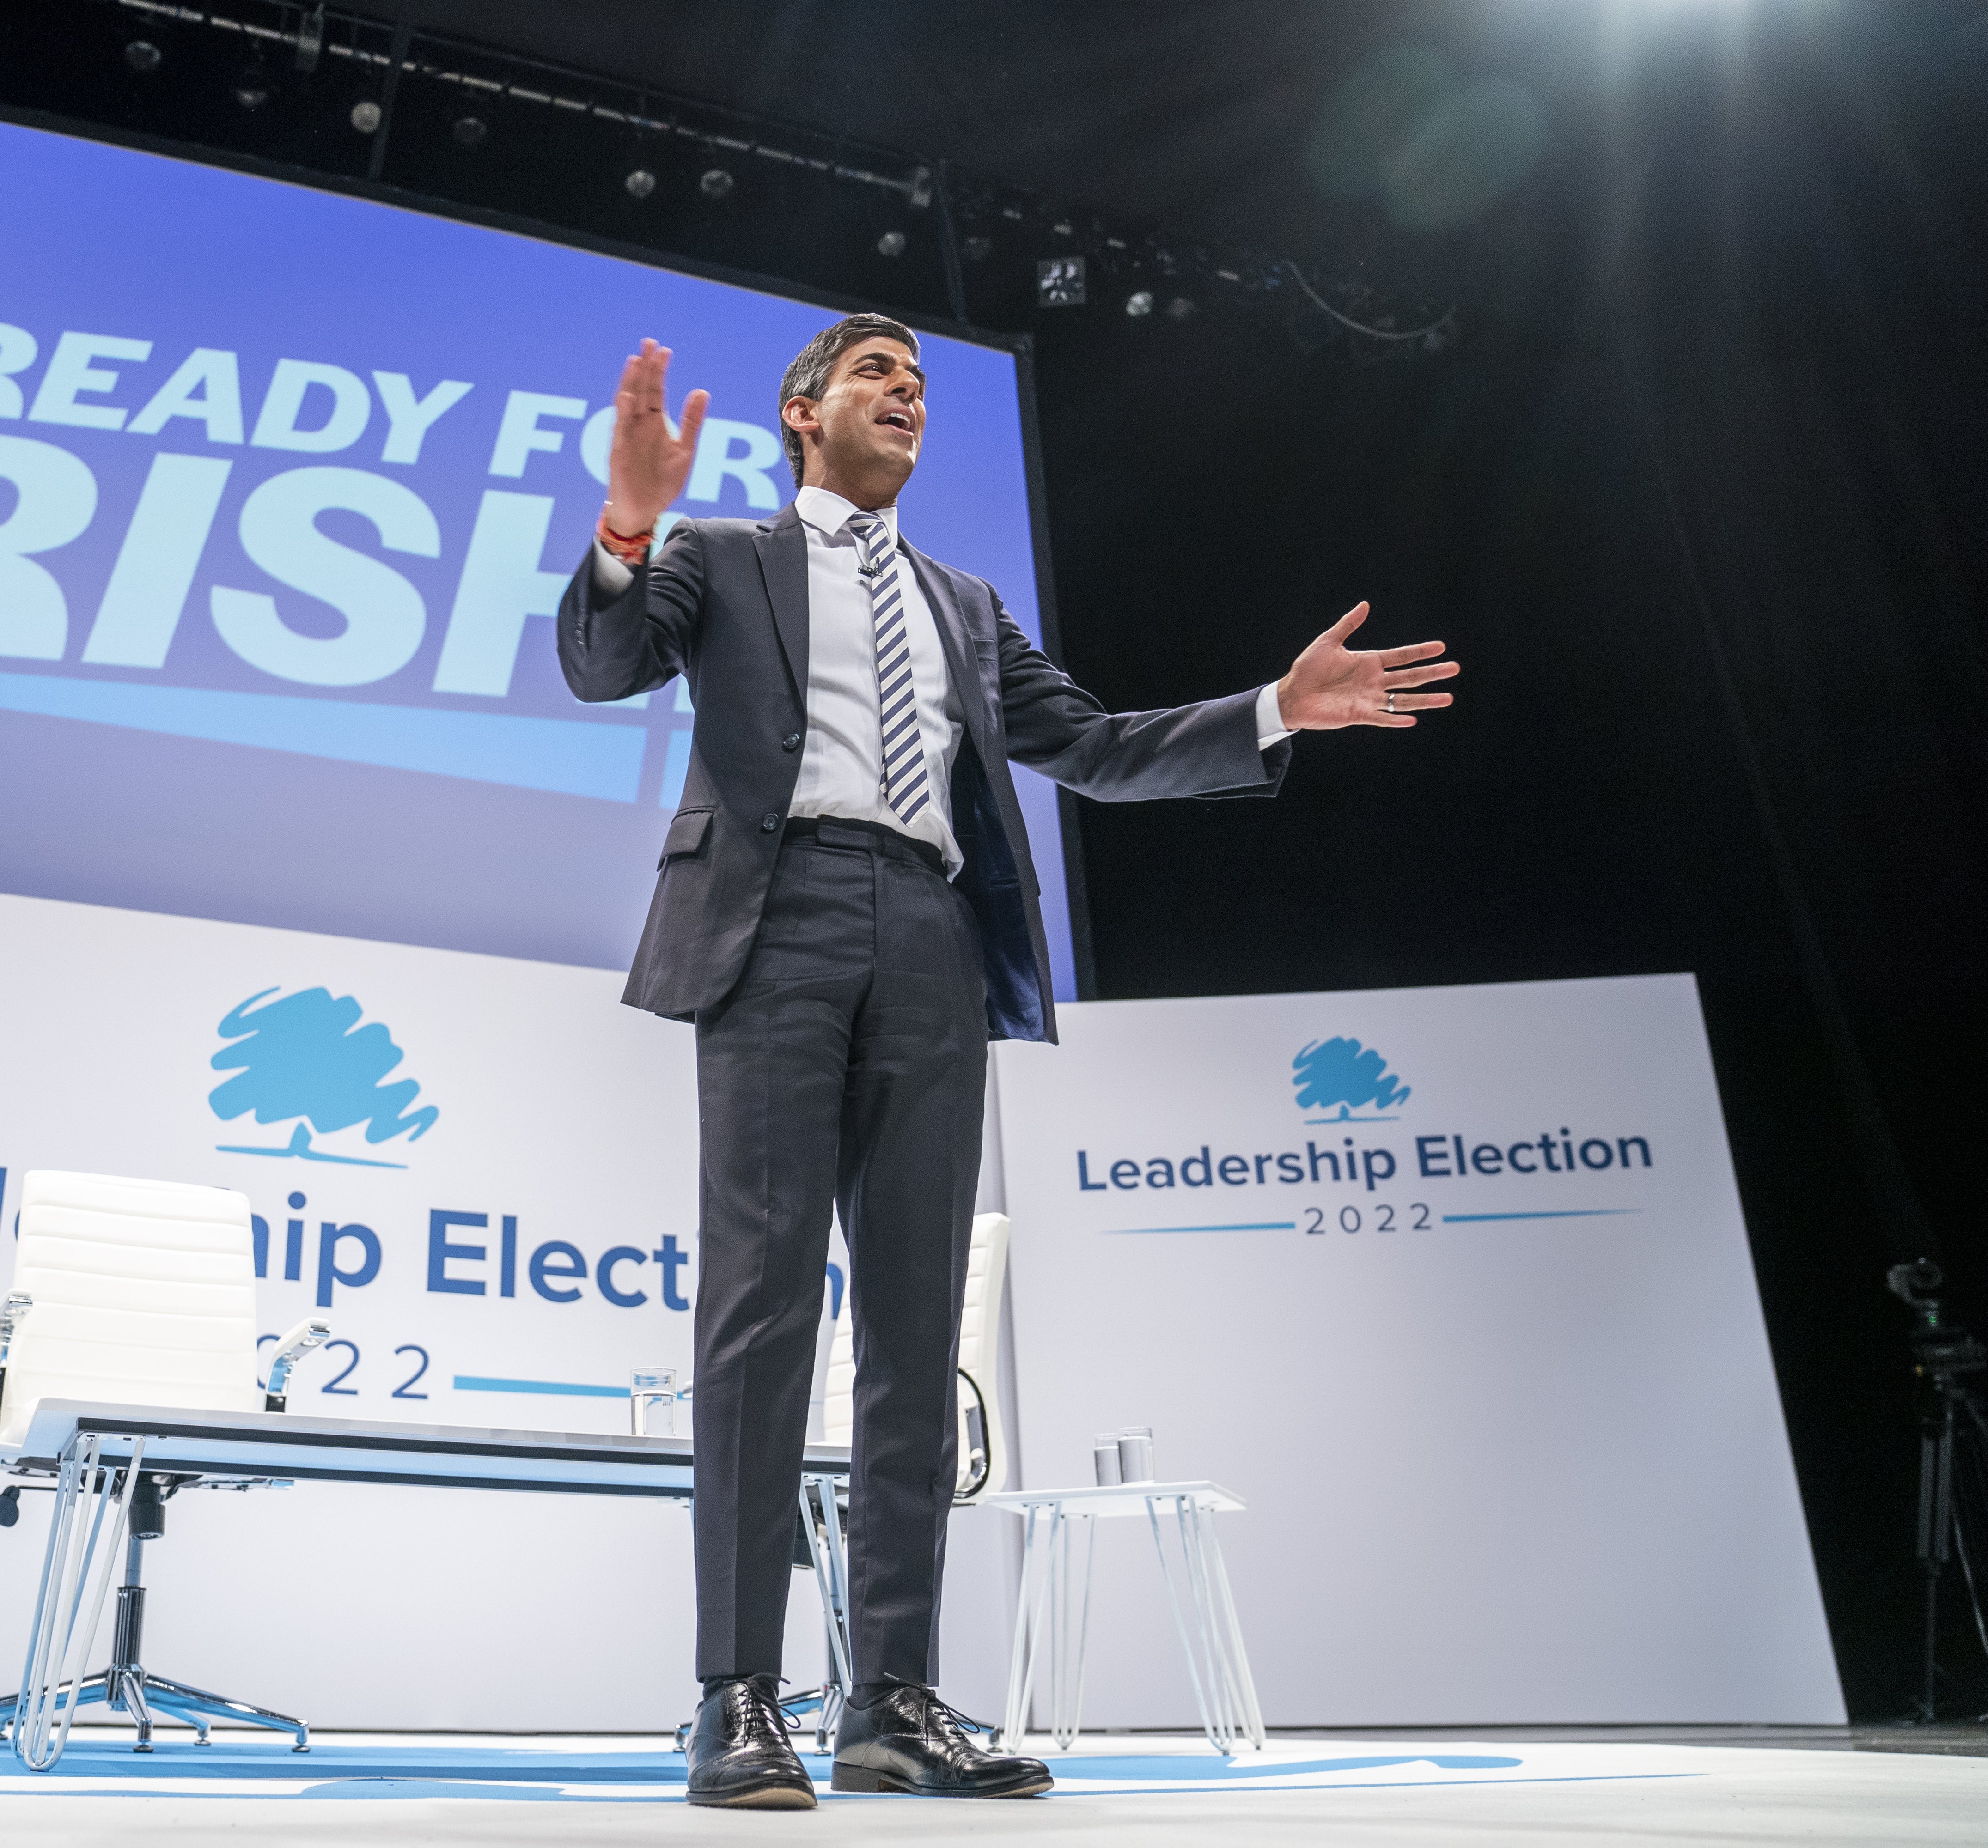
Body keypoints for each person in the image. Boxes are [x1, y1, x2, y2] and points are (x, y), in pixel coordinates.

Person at [559, 314, 1459, 1809]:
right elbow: (602, 666)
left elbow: (1092, 747)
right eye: (876, 377)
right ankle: (738, 1700)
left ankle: (891, 1707)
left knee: (917, 1342)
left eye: (920, 385)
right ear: (802, 416)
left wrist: (1271, 712)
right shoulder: (720, 558)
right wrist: (628, 523)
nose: (909, 397)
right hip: (771, 927)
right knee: (764, 1310)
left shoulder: (964, 603)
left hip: (928, 936)